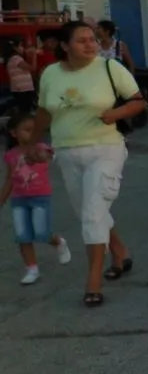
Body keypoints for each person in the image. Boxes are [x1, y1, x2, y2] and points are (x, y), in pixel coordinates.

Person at [34, 21, 144, 306]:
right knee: (90, 212)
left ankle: (93, 281)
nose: (90, 44)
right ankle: (120, 252)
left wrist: (116, 114)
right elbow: (45, 112)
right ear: (64, 46)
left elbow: (138, 101)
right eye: (82, 40)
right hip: (66, 151)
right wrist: (30, 143)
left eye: (93, 39)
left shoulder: (109, 68)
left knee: (93, 214)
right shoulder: (50, 74)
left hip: (105, 149)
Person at [0, 111, 72, 285]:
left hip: (40, 197)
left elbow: (49, 156)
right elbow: (10, 178)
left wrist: (42, 155)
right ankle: (32, 269)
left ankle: (58, 242)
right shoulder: (11, 155)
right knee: (22, 235)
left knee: (41, 233)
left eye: (34, 130)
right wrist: (2, 199)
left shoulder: (40, 148)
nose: (30, 133)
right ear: (13, 133)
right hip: (19, 199)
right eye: (26, 130)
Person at [4, 39, 37, 113]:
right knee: (25, 110)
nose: (23, 48)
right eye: (21, 46)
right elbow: (33, 67)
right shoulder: (16, 58)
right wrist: (34, 55)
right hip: (23, 89)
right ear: (15, 48)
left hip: (18, 89)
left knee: (22, 109)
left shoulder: (10, 59)